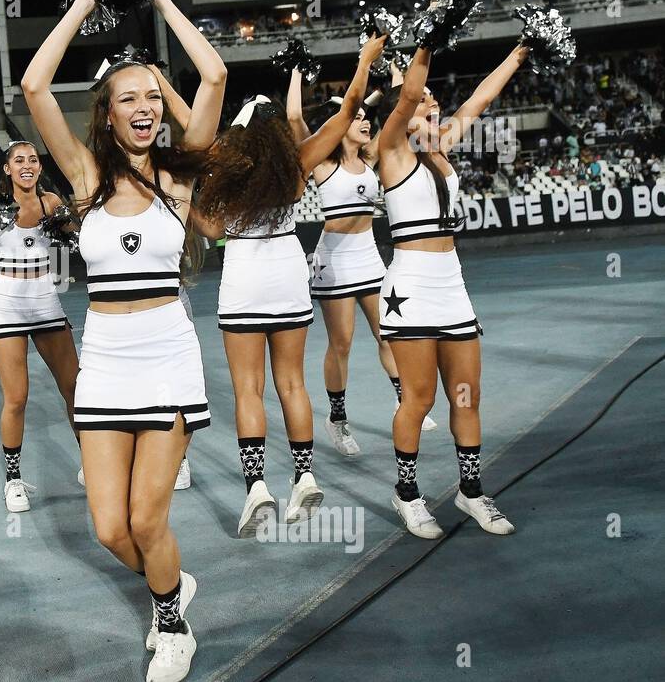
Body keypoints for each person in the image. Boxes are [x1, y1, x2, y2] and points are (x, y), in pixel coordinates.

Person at [22, 0, 226, 682]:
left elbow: (217, 77)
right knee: (110, 528)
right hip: (105, 361)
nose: (142, 109)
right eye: (126, 99)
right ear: (107, 115)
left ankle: (171, 623)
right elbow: (33, 83)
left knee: (147, 517)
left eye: (150, 98)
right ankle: (172, 584)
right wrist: (81, 2)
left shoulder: (178, 177)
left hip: (167, 354)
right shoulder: (84, 176)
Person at [192, 36, 387, 536]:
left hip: (244, 281)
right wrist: (365, 60)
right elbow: (345, 115)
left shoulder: (225, 167)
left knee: (247, 389)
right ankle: (304, 476)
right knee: (292, 384)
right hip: (288, 276)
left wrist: (186, 208)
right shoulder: (296, 164)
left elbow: (212, 230)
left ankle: (257, 486)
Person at [374, 41, 527, 539]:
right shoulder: (393, 149)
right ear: (403, 107)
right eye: (421, 101)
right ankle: (408, 494)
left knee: (466, 396)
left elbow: (481, 98)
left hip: (452, 285)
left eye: (433, 99)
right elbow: (410, 91)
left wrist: (520, 54)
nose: (430, 102)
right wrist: (426, 42)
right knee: (417, 399)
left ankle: (471, 490)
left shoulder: (439, 148)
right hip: (411, 289)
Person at [293, 76, 437, 459]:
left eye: (364, 118)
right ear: (340, 126)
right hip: (334, 262)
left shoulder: (371, 157)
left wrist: (395, 79)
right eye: (355, 119)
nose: (364, 122)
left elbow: (392, 110)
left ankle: (404, 401)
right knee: (341, 344)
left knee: (389, 334)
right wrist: (295, 73)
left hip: (370, 258)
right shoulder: (323, 165)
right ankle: (337, 420)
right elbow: (295, 119)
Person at [0, 141, 80, 513]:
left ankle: (95, 464)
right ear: (6, 168)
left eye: (33, 160)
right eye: (18, 160)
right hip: (7, 302)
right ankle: (13, 481)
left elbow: (79, 243)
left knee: (75, 387)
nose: (27, 165)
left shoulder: (51, 202)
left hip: (44, 298)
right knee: (17, 397)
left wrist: (68, 228)